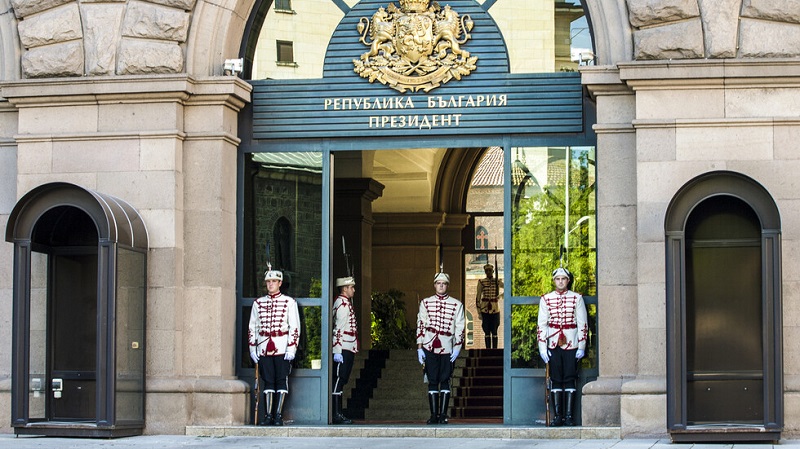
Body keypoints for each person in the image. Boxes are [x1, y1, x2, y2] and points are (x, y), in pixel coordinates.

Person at [249, 268, 300, 426]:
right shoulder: (258, 303)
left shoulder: (289, 302)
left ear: (280, 283)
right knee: (268, 381)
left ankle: (278, 415)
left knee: (281, 381)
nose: (270, 284)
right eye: (268, 282)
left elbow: (294, 327)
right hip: (264, 348)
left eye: (274, 282)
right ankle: (268, 415)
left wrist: (291, 348)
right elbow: (253, 327)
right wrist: (253, 348)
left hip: (282, 347)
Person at [537, 266, 588, 427]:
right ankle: (558, 416)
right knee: (556, 379)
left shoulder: (576, 298)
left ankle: (569, 416)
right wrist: (542, 348)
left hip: (571, 343)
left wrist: (582, 345)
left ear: (568, 280)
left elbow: (582, 324)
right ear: (554, 281)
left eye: (563, 279)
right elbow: (541, 325)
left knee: (570, 379)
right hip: (553, 343)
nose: (560, 282)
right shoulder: (546, 299)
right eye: (558, 279)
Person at [416, 270, 465, 425]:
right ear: (434, 285)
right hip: (429, 345)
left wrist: (457, 346)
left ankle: (443, 415)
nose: (441, 286)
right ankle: (433, 415)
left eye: (444, 284)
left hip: (447, 346)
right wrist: (419, 346)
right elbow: (421, 324)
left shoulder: (457, 304)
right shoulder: (425, 302)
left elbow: (460, 326)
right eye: (438, 283)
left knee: (445, 380)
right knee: (432, 381)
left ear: (447, 285)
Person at [331, 276, 359, 425]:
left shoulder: (345, 303)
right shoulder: (342, 304)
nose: (353, 290)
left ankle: (339, 412)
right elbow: (339, 329)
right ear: (344, 288)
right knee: (338, 380)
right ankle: (335, 413)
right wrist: (337, 350)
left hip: (348, 346)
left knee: (341, 380)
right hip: (343, 347)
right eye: (351, 287)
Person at [476, 263, 503, 349]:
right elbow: (478, 297)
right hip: (485, 308)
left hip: (495, 308)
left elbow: (508, 288)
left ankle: (494, 349)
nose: (488, 272)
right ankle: (488, 349)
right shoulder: (482, 282)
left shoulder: (497, 281)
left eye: (490, 270)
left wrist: (501, 296)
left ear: (493, 271)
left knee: (495, 330)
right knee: (486, 330)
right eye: (486, 271)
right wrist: (479, 311)